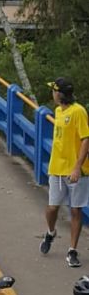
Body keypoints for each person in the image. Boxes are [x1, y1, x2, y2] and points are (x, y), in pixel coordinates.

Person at [39, 78, 89, 268]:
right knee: (52, 207)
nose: (52, 94)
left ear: (60, 93)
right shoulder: (59, 111)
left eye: (54, 91)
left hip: (77, 171)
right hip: (57, 168)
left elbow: (85, 139)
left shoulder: (78, 112)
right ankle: (51, 232)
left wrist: (77, 167)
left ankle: (72, 250)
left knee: (75, 210)